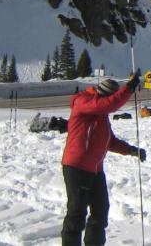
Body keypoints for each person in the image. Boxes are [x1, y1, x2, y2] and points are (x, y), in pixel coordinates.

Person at [60, 72, 143, 246]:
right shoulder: (83, 103)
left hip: (95, 169)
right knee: (77, 213)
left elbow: (109, 141)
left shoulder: (101, 112)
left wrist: (132, 150)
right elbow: (109, 105)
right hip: (77, 166)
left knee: (100, 211)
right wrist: (128, 88)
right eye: (111, 99)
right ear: (104, 95)